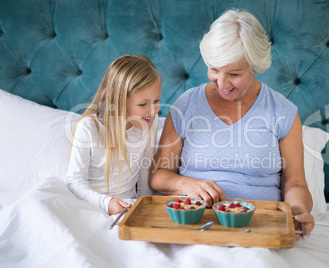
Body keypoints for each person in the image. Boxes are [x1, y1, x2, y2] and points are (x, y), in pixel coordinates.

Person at [149, 9, 314, 238]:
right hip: (194, 222)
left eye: (234, 74)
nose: (222, 83)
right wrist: (185, 185)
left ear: (255, 67)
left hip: (259, 225)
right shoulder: (186, 105)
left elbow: (295, 183)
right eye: (214, 69)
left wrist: (297, 211)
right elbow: (158, 174)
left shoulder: (283, 111)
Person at [67, 55, 161, 215]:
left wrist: (144, 207)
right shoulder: (89, 128)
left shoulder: (149, 123)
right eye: (143, 104)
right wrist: (107, 203)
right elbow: (74, 182)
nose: (152, 110)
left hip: (126, 209)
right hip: (89, 207)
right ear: (119, 101)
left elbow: (145, 172)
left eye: (157, 101)